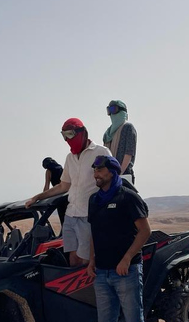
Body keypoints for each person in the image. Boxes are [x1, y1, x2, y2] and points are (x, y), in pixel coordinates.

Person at [85, 155, 152, 322]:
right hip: (101, 273)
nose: (96, 174)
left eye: (100, 170)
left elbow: (145, 231)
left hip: (127, 271)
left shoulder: (127, 197)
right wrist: (92, 260)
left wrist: (126, 259)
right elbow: (94, 232)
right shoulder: (94, 200)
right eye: (94, 170)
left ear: (112, 171)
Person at [25, 119, 110, 266]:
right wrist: (37, 197)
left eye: (70, 134)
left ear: (82, 132)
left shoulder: (100, 152)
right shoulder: (70, 158)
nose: (67, 139)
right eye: (63, 135)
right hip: (71, 215)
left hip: (88, 215)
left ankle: (89, 288)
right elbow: (63, 186)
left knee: (86, 259)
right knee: (73, 257)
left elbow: (112, 179)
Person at [102, 100, 137, 183]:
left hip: (124, 175)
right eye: (109, 111)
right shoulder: (107, 133)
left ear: (122, 111)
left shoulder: (128, 128)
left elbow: (128, 153)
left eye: (113, 109)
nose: (111, 114)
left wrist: (119, 173)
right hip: (108, 177)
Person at [42, 157, 66, 226]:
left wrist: (43, 197)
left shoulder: (49, 171)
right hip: (66, 195)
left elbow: (47, 186)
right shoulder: (61, 169)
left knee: (62, 219)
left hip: (57, 195)